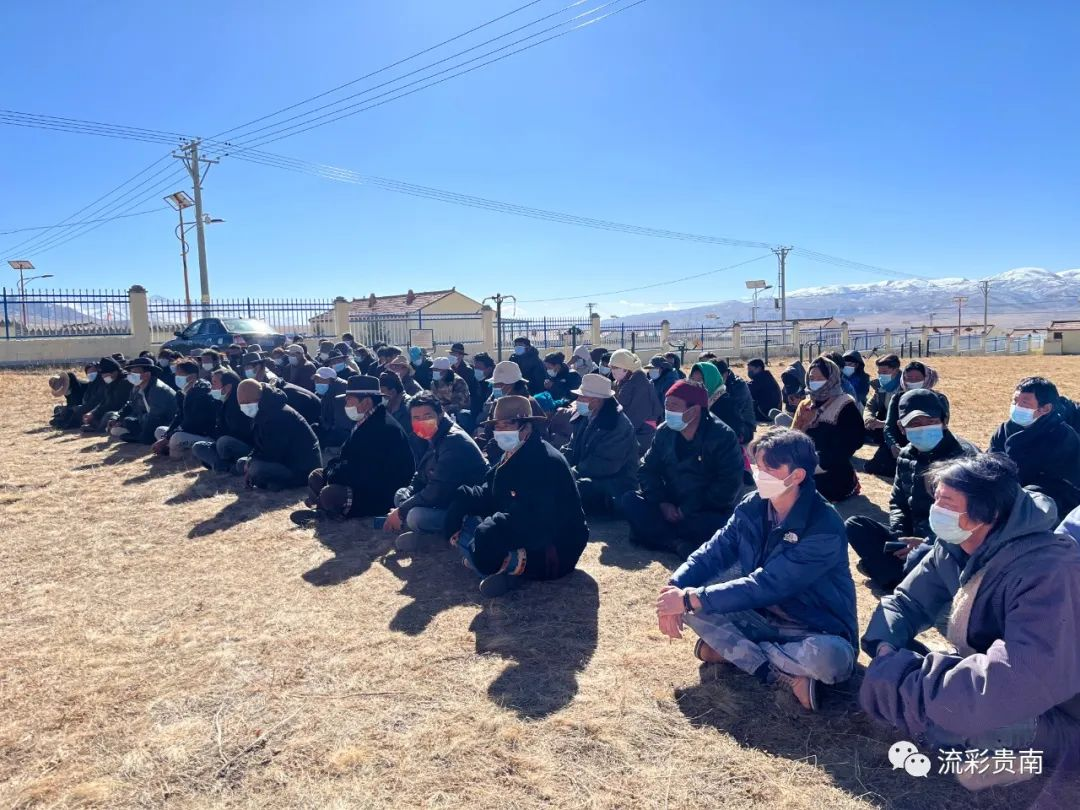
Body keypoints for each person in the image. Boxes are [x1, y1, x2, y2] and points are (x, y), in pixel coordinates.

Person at [859, 453, 1080, 791]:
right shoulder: (954, 545)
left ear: (989, 514)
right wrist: (885, 646)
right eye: (936, 499)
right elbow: (907, 601)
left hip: (1061, 706)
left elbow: (1017, 677)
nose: (936, 511)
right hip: (1005, 682)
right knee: (938, 708)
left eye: (946, 504)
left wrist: (902, 681)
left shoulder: (1049, 571)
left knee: (956, 722)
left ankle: (1038, 753)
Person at [657, 428, 858, 711]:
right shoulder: (753, 506)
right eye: (758, 466)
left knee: (833, 660)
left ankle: (736, 652)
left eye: (769, 469)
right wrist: (674, 589)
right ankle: (779, 670)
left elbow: (768, 585)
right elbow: (713, 552)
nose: (759, 474)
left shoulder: (823, 527)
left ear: (797, 476)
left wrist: (689, 599)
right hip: (761, 615)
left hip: (814, 629)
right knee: (691, 603)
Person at [444, 395, 589, 597]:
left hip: (556, 545)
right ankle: (492, 565)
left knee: (482, 535)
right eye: (498, 426)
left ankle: (502, 569)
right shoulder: (514, 452)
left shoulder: (544, 461)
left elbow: (535, 518)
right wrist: (463, 497)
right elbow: (492, 492)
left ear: (526, 426)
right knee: (470, 523)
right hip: (526, 528)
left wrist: (490, 529)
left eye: (508, 425)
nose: (501, 431)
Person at [845, 390, 977, 591]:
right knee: (855, 525)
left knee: (928, 558)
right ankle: (905, 575)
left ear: (944, 421)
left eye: (930, 421)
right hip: (912, 536)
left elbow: (973, 521)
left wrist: (926, 543)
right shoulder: (906, 455)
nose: (922, 429)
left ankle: (896, 575)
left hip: (949, 543)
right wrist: (901, 538)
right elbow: (898, 502)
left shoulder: (964, 458)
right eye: (914, 424)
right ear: (901, 427)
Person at [621, 380, 745, 559]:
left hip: (704, 509)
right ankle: (676, 543)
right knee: (630, 500)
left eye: (674, 406)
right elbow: (646, 470)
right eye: (666, 405)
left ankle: (659, 536)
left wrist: (686, 510)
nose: (668, 411)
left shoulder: (723, 437)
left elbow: (728, 486)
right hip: (670, 503)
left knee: (718, 524)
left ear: (694, 410)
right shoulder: (664, 431)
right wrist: (662, 502)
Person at [295, 375, 413, 521]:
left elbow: (362, 472)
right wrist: (330, 472)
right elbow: (345, 457)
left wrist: (333, 475)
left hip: (381, 492)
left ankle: (325, 508)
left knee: (329, 493)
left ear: (366, 402)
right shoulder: (367, 420)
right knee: (317, 475)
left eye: (349, 400)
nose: (346, 404)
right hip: (361, 479)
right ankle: (323, 507)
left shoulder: (383, 428)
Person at [385, 393, 488, 552]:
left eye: (427, 416)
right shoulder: (433, 436)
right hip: (443, 498)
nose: (422, 421)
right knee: (400, 494)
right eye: (416, 418)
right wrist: (407, 497)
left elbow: (437, 491)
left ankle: (438, 538)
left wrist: (402, 511)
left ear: (440, 414)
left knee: (415, 516)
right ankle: (415, 526)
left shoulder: (453, 440)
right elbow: (420, 475)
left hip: (463, 507)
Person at [988, 376, 1080, 515]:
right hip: (1010, 492)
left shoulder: (1062, 437)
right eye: (1014, 401)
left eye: (1024, 404)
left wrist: (1021, 495)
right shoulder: (1004, 430)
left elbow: (1062, 485)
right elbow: (991, 462)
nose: (1016, 407)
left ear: (1045, 409)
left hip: (1051, 503)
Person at [561, 373, 639, 514]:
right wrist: (559, 466)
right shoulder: (585, 416)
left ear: (597, 400)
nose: (577, 400)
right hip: (586, 474)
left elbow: (605, 465)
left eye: (582, 397)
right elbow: (571, 448)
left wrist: (570, 474)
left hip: (615, 486)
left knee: (575, 488)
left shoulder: (618, 425)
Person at [792, 356, 863, 502]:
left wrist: (821, 463)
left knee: (811, 494)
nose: (815, 382)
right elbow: (793, 435)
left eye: (820, 378)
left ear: (831, 378)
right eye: (812, 378)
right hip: (806, 463)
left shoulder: (844, 404)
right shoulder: (806, 405)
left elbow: (853, 441)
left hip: (832, 468)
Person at [235, 379, 321, 490]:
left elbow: (273, 453)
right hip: (283, 461)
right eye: (241, 404)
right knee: (241, 463)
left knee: (255, 468)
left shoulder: (279, 415)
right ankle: (270, 481)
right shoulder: (263, 411)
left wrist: (252, 462)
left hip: (300, 467)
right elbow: (259, 444)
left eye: (247, 403)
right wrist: (250, 458)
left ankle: (276, 482)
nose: (244, 407)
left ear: (259, 397)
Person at [152, 358, 218, 459]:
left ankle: (190, 454)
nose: (176, 376)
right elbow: (179, 416)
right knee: (160, 431)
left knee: (176, 437)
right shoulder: (182, 392)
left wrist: (167, 438)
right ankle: (178, 449)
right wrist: (167, 435)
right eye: (176, 374)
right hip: (188, 432)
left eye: (180, 374)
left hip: (204, 435)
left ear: (193, 376)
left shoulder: (202, 392)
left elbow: (191, 422)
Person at [191, 369, 254, 473]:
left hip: (244, 446)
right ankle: (228, 467)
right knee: (198, 446)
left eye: (215, 383)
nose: (211, 387)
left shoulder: (240, 403)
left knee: (223, 442)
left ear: (228, 387)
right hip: (224, 445)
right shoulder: (221, 402)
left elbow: (241, 433)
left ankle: (225, 465)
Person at [104, 357, 178, 444]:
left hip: (165, 423)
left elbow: (155, 416)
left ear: (147, 374)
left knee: (154, 432)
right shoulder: (137, 387)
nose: (131, 375)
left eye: (135, 372)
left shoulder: (158, 389)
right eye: (131, 372)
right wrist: (117, 418)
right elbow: (130, 405)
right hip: (145, 420)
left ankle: (142, 437)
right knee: (126, 422)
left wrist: (143, 436)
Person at [883, 361, 949, 457]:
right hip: (902, 446)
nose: (913, 382)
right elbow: (889, 426)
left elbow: (943, 426)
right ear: (903, 379)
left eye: (918, 379)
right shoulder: (897, 398)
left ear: (926, 378)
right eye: (909, 378)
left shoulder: (939, 399)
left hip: (934, 445)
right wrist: (893, 445)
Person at [610, 348, 661, 455]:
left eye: (615, 367)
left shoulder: (641, 385)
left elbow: (635, 418)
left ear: (626, 369)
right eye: (611, 367)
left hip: (640, 437)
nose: (612, 370)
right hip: (628, 434)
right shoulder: (622, 382)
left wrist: (614, 435)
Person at [862, 354, 903, 475]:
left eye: (884, 372)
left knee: (876, 467)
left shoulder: (904, 388)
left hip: (900, 430)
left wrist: (885, 424)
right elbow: (870, 405)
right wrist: (869, 419)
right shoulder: (881, 386)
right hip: (884, 425)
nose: (881, 375)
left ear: (896, 370)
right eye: (879, 372)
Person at [708, 360, 756, 445]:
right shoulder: (710, 385)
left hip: (743, 427)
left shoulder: (738, 385)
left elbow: (733, 414)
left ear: (725, 374)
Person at [83, 356, 132, 432]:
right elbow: (104, 401)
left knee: (109, 415)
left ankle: (98, 429)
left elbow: (115, 404)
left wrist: (95, 413)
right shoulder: (110, 383)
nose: (103, 377)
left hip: (121, 412)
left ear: (115, 372)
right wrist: (92, 412)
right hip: (111, 410)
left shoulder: (125, 383)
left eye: (105, 374)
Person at [313, 367, 351, 457]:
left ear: (330, 380)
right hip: (331, 426)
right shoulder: (327, 390)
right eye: (316, 380)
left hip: (342, 431)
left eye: (320, 380)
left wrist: (327, 429)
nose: (317, 383)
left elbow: (340, 423)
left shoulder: (341, 391)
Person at [430, 356, 471, 424]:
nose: (434, 372)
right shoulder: (434, 383)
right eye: (433, 369)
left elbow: (459, 404)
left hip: (458, 412)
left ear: (445, 371)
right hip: (441, 412)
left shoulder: (458, 381)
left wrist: (443, 410)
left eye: (437, 370)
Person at [746, 358, 782, 423]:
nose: (749, 372)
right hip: (771, 412)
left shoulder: (761, 379)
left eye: (750, 369)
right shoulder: (765, 376)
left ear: (759, 368)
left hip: (765, 414)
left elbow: (747, 390)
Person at [74, 361, 107, 428]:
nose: (90, 374)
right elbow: (86, 397)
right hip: (89, 404)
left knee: (80, 410)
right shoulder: (91, 384)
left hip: (97, 406)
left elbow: (98, 398)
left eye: (93, 372)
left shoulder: (102, 382)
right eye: (88, 373)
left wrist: (86, 406)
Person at [470, 352, 495, 417]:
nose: (476, 370)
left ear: (489, 369)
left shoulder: (494, 384)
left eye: (479, 367)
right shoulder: (474, 381)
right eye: (475, 367)